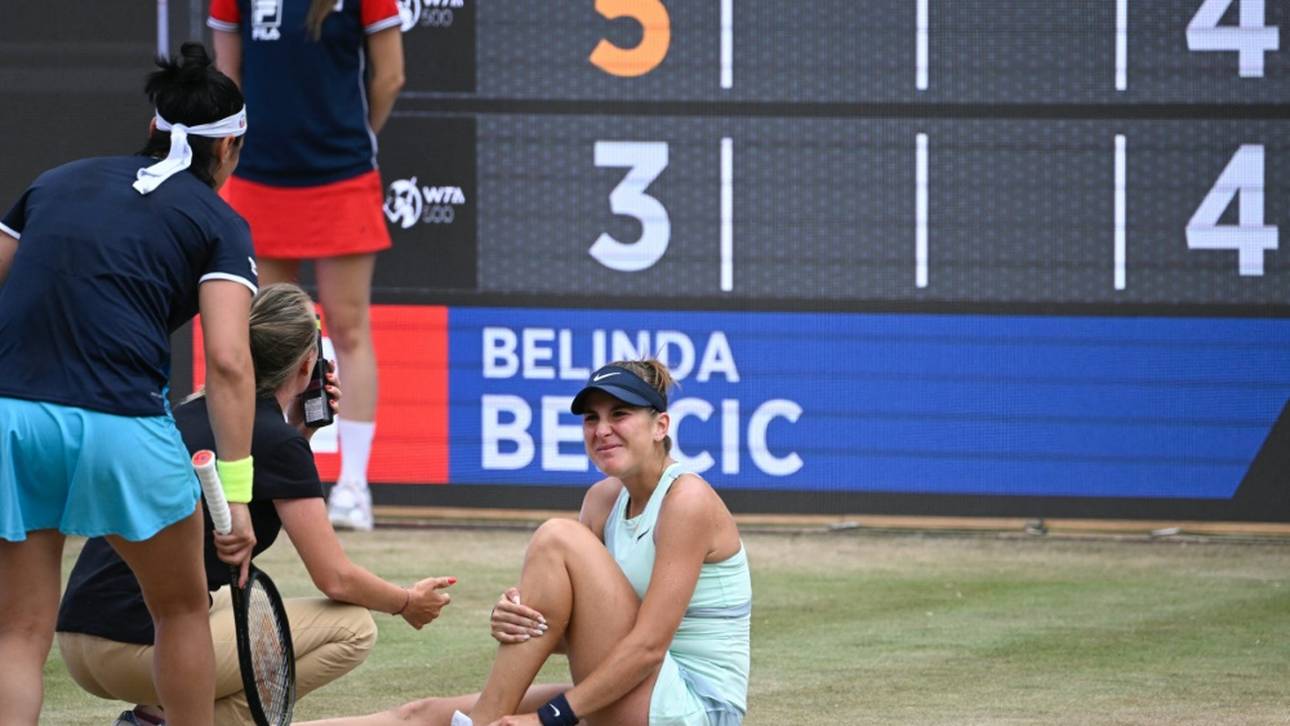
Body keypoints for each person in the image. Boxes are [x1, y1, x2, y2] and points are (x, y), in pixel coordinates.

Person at [56, 283, 458, 726]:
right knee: (353, 628)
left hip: (79, 639)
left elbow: (261, 463)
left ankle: (154, 718)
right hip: (141, 646)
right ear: (309, 365)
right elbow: (336, 579)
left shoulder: (193, 412)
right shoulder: (277, 442)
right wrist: (406, 602)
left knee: (232, 595)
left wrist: (300, 434)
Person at [0, 43, 259, 726]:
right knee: (179, 609)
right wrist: (235, 497)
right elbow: (230, 362)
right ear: (228, 150)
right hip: (122, 426)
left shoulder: (54, 181)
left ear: (152, 129)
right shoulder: (220, 224)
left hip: (12, 421)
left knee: (18, 633)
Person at [305, 360, 752, 726]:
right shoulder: (601, 500)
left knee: (557, 537)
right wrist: (525, 621)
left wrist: (549, 719)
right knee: (420, 715)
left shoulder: (687, 500)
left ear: (660, 426)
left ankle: (481, 723)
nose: (601, 429)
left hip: (692, 710)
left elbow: (649, 646)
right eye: (591, 418)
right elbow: (582, 638)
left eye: (619, 414)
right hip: (640, 691)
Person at [208, 0, 406, 531]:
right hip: (259, 174)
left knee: (347, 325)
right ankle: (272, 472)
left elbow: (390, 76)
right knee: (268, 332)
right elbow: (228, 77)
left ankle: (353, 487)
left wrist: (350, 138)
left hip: (341, 173)